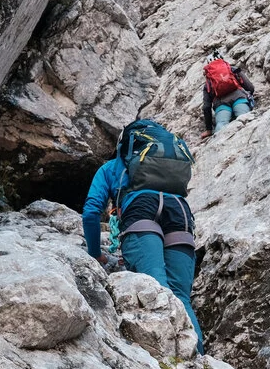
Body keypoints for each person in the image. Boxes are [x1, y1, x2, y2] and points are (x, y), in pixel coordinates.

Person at [83, 119, 205, 354]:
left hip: (141, 208)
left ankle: (169, 363)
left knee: (157, 287)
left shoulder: (112, 168)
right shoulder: (169, 162)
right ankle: (198, 362)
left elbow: (91, 212)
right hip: (179, 210)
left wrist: (95, 254)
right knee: (180, 296)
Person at [200, 51, 255, 138]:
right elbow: (250, 87)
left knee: (221, 125)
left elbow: (206, 107)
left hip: (221, 105)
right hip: (239, 98)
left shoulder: (208, 82)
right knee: (245, 119)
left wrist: (209, 129)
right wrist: (249, 96)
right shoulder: (232, 69)